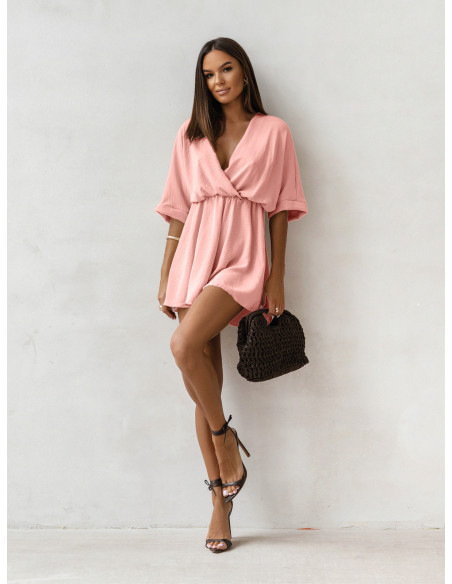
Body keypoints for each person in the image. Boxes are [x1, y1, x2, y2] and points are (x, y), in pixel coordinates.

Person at [154, 37, 308, 553]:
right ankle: (220, 503)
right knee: (204, 385)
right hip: (193, 254)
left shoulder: (274, 131)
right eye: (208, 74)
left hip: (242, 256)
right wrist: (165, 272)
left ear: (244, 72)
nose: (217, 81)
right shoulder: (190, 133)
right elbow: (178, 209)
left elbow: (280, 208)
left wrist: (277, 276)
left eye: (226, 69)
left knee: (182, 347)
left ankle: (226, 443)